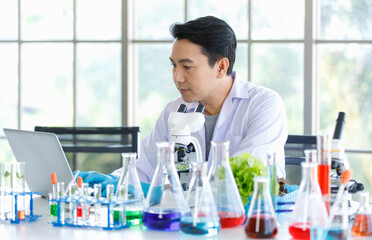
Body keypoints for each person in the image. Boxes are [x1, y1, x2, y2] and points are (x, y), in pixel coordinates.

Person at [77, 16, 288, 197]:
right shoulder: (175, 109)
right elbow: (144, 169)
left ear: (221, 66)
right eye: (174, 66)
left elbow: (246, 181)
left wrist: (169, 193)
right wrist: (113, 183)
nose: (177, 77)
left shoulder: (263, 105)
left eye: (187, 67)